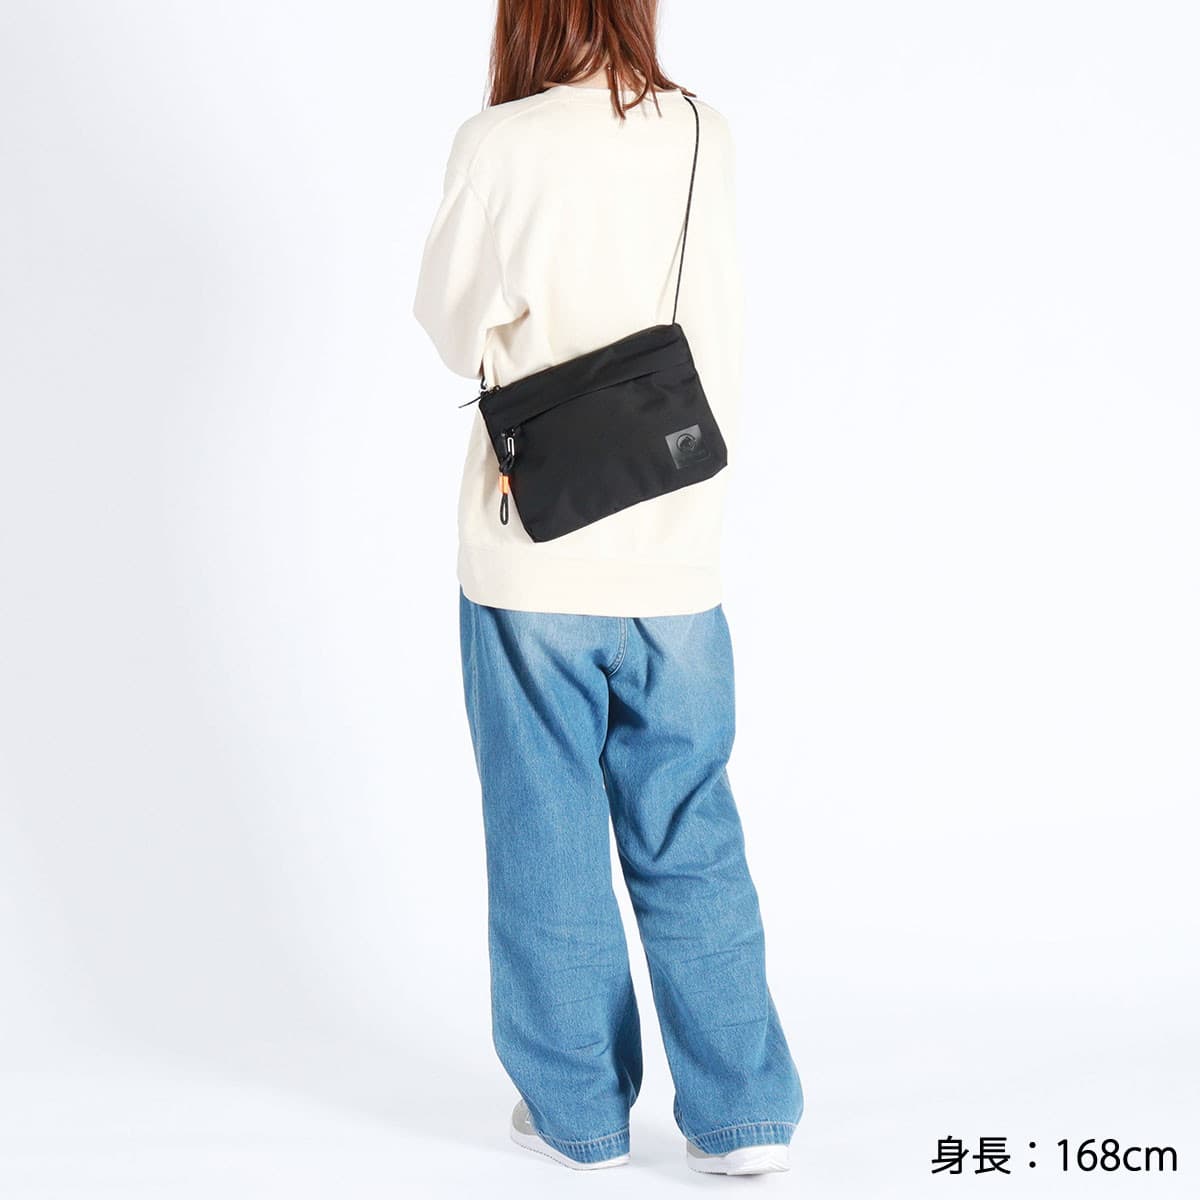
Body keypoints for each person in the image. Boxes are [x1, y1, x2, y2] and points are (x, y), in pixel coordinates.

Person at [413, 0, 803, 1177]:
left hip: (534, 552)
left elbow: (451, 328)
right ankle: (745, 1119)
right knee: (690, 829)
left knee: (549, 833)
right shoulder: (703, 132)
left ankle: (578, 1115)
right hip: (677, 550)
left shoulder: (502, 143)